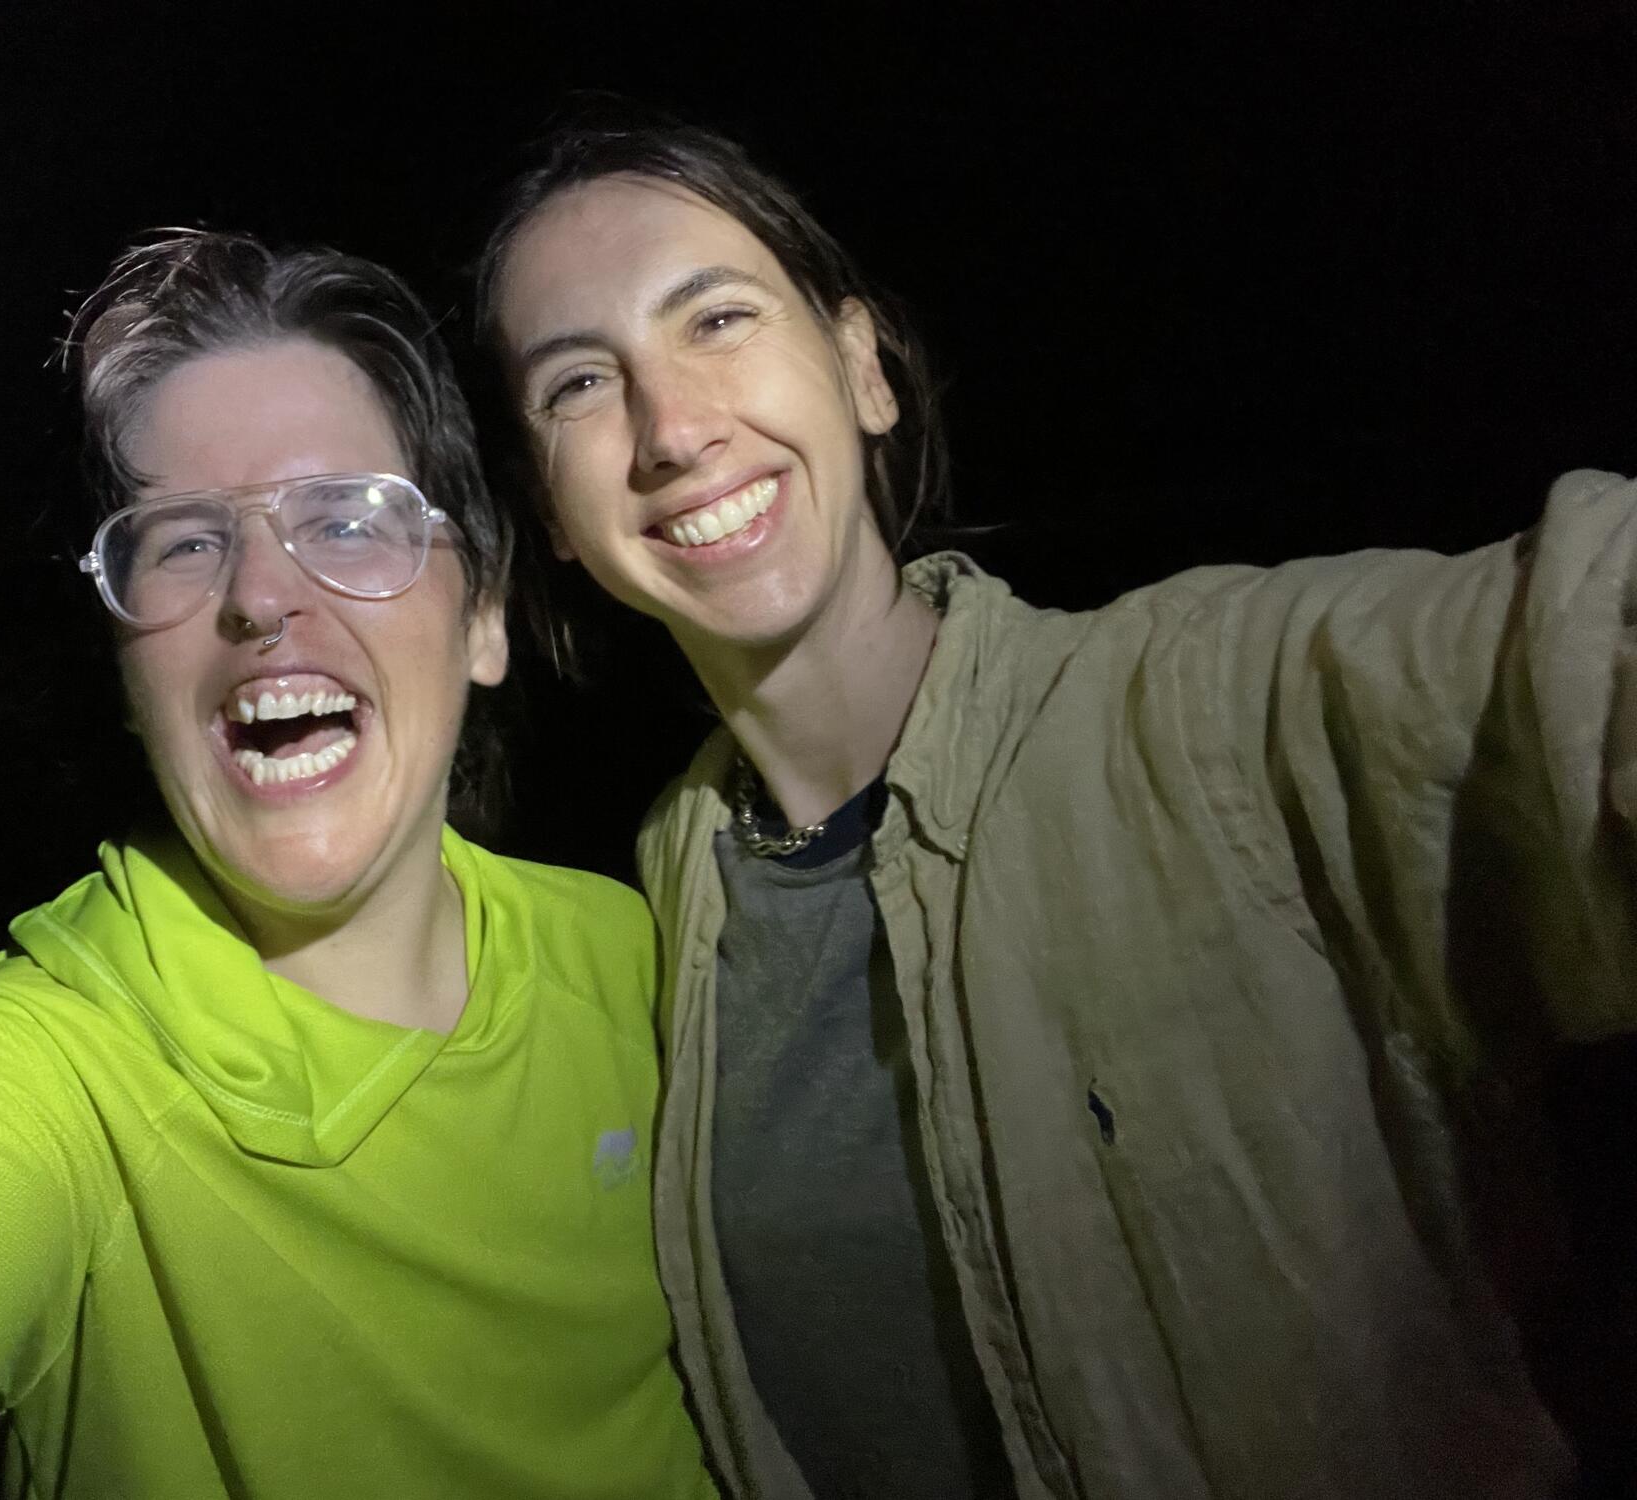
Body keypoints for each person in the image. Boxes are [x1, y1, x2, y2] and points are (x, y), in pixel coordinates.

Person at [476, 112, 1637, 1500]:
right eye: (579, 387)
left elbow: (1580, 646)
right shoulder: (663, 916)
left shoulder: (1206, 710)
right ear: (548, 512)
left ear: (863, 371)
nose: (672, 427)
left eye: (717, 317)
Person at [0, 230, 717, 1500]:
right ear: (128, 676)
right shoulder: (57, 1074)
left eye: (345, 520)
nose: (260, 594)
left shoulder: (638, 955)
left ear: (483, 617)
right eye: (183, 541)